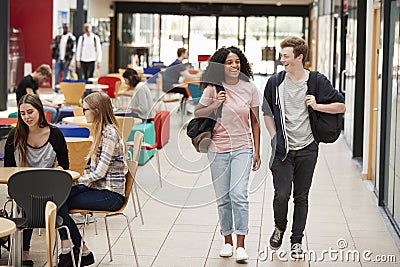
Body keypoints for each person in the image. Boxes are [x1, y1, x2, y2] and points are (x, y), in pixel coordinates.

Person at [262, 36, 346, 258]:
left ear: (299, 57)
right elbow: (267, 113)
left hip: (308, 149)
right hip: (283, 150)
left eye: (286, 56)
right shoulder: (275, 82)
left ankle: (296, 241)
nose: (282, 61)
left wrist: (317, 106)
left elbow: (341, 106)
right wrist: (274, 137)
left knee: (301, 196)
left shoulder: (317, 81)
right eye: (282, 56)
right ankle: (279, 226)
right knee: (281, 195)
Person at [194, 46, 261, 262]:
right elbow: (198, 113)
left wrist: (257, 150)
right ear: (221, 66)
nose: (234, 66)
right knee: (223, 198)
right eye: (229, 62)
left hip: (243, 147)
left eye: (237, 62)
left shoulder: (249, 88)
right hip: (217, 149)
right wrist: (216, 104)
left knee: (239, 194)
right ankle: (227, 242)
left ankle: (241, 245)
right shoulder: (213, 89)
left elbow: (255, 122)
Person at [57, 92, 127, 267]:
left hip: (111, 195)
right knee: (57, 198)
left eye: (85, 109)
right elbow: (93, 170)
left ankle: (72, 250)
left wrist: (75, 181)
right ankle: (79, 250)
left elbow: (99, 173)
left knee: (58, 202)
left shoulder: (109, 134)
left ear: (97, 111)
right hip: (98, 188)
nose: (83, 113)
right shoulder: (101, 131)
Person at [4, 94, 69, 267]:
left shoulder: (55, 134)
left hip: (46, 187)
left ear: (40, 110)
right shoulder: (14, 135)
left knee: (51, 195)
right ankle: (68, 247)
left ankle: (26, 252)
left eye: (30, 112)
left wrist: (55, 173)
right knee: (39, 198)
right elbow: (9, 168)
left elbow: (65, 165)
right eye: (23, 114)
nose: (27, 117)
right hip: (21, 187)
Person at [51, 23, 76, 88]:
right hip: (58, 59)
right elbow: (52, 47)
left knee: (65, 76)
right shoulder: (58, 37)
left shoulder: (71, 38)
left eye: (66, 28)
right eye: (64, 28)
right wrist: (56, 42)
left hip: (66, 60)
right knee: (56, 75)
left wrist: (69, 61)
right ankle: (56, 90)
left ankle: (64, 90)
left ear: (69, 29)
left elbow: (72, 51)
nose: (65, 29)